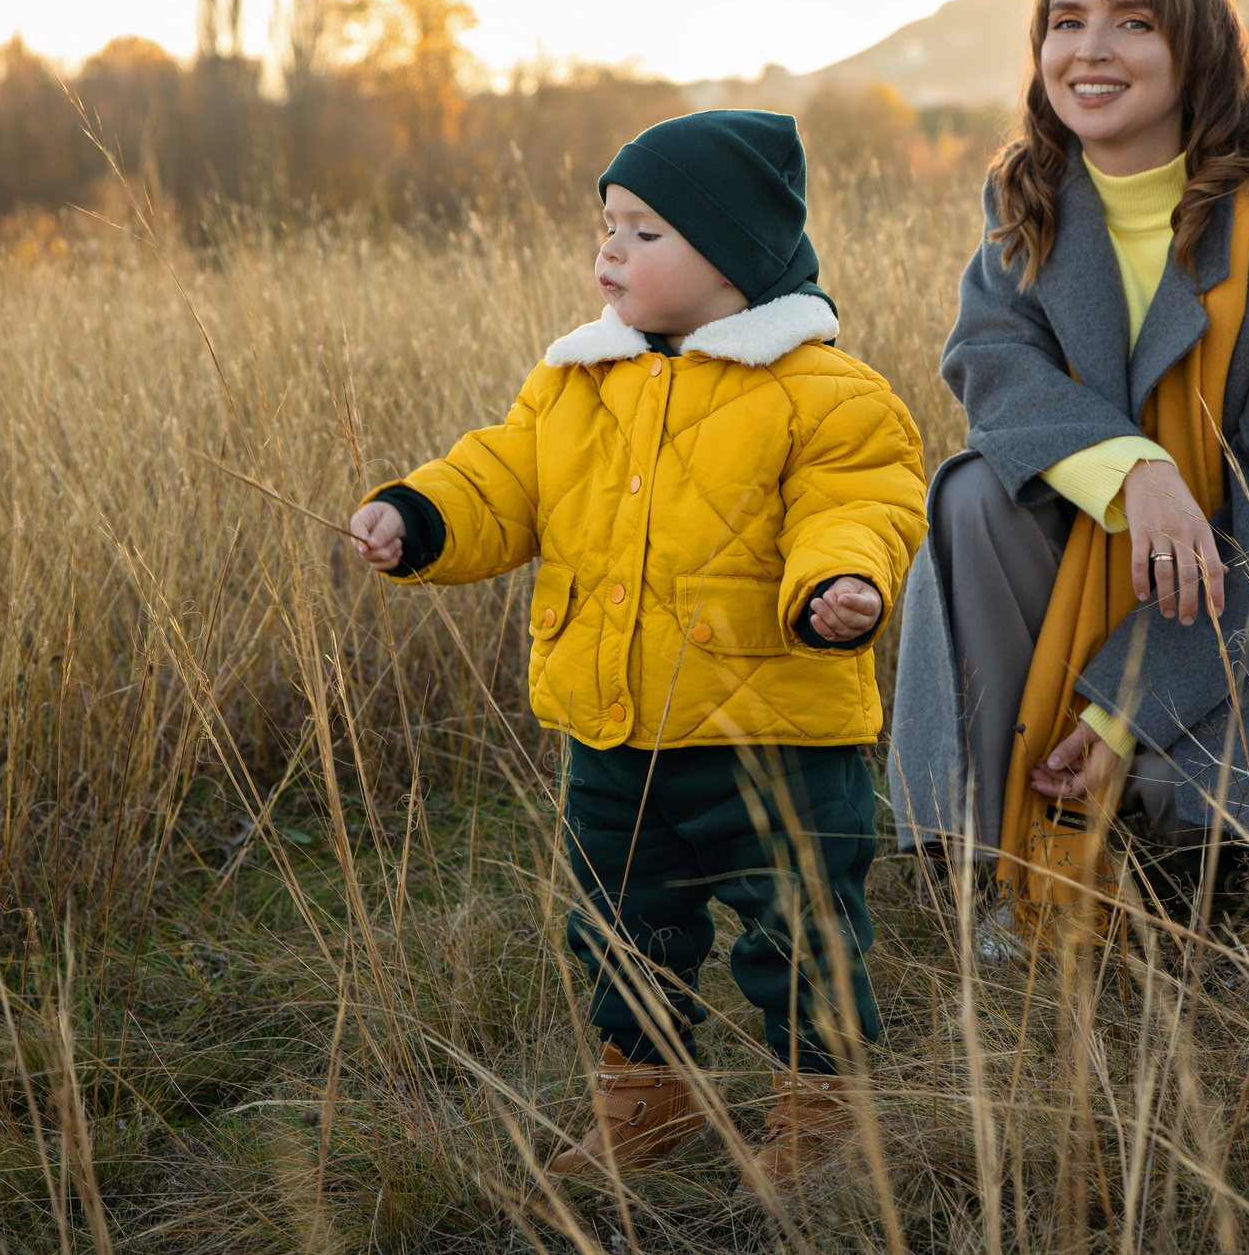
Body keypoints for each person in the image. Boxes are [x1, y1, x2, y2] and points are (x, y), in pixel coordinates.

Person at [349, 110, 928, 1192]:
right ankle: (647, 1095)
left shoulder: (824, 393)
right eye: (607, 225)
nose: (609, 250)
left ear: (734, 257)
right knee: (620, 924)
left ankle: (823, 1104)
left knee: (795, 926)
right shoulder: (575, 384)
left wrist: (838, 581)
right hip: (610, 728)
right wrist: (418, 515)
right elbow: (499, 478)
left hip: (772, 734)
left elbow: (861, 504)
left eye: (646, 231)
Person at [886, 0, 1249, 923]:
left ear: (1194, 50)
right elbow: (992, 367)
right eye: (1065, 21)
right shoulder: (1028, 208)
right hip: (1099, 561)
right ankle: (997, 873)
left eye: (1132, 22)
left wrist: (1127, 708)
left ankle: (1189, 837)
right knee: (970, 493)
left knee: (1182, 816)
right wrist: (1137, 471)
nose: (1089, 49)